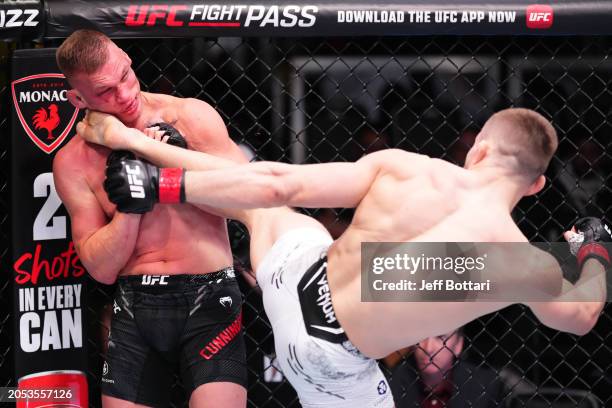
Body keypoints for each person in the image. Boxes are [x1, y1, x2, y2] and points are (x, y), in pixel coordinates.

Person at [77, 108, 609, 407]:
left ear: (479, 150)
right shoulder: (519, 262)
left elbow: (274, 182)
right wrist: (594, 248)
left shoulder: (406, 167)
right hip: (332, 360)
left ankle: (136, 147)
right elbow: (584, 315)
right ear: (538, 184)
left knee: (264, 210)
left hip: (298, 277)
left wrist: (166, 184)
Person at [52, 30, 249, 407]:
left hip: (210, 299)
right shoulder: (73, 161)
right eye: (106, 92)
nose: (124, 95)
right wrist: (131, 205)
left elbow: (248, 197)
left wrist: (170, 171)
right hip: (135, 305)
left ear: (127, 57)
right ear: (78, 98)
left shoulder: (191, 116)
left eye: (125, 76)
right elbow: (101, 268)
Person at [388, 329, 506, 407]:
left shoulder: (485, 386)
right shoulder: (389, 384)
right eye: (422, 336)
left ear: (458, 345)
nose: (428, 348)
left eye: (440, 337)